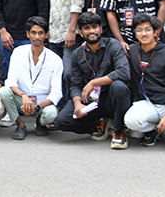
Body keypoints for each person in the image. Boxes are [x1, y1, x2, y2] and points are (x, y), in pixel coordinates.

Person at [56, 12, 133, 148]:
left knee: (119, 86)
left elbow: (124, 73)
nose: (91, 31)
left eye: (94, 27)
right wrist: (78, 103)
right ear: (81, 32)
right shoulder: (77, 54)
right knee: (63, 121)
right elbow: (75, 85)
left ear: (101, 29)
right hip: (92, 101)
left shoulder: (113, 45)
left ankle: (119, 130)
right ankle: (98, 124)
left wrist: (93, 82)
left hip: (112, 98)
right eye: (86, 28)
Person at [122, 13, 165, 153]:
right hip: (147, 104)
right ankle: (156, 128)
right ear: (135, 33)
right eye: (139, 30)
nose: (143, 33)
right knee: (131, 121)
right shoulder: (133, 51)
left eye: (148, 29)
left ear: (155, 32)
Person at [0, 16, 63, 140]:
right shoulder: (18, 52)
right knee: (4, 91)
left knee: (51, 114)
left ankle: (40, 122)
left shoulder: (55, 60)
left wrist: (37, 107)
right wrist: (24, 96)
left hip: (42, 103)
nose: (37, 37)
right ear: (27, 34)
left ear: (46, 35)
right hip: (22, 100)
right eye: (33, 33)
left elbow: (56, 93)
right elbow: (11, 81)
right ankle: (20, 124)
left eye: (40, 33)